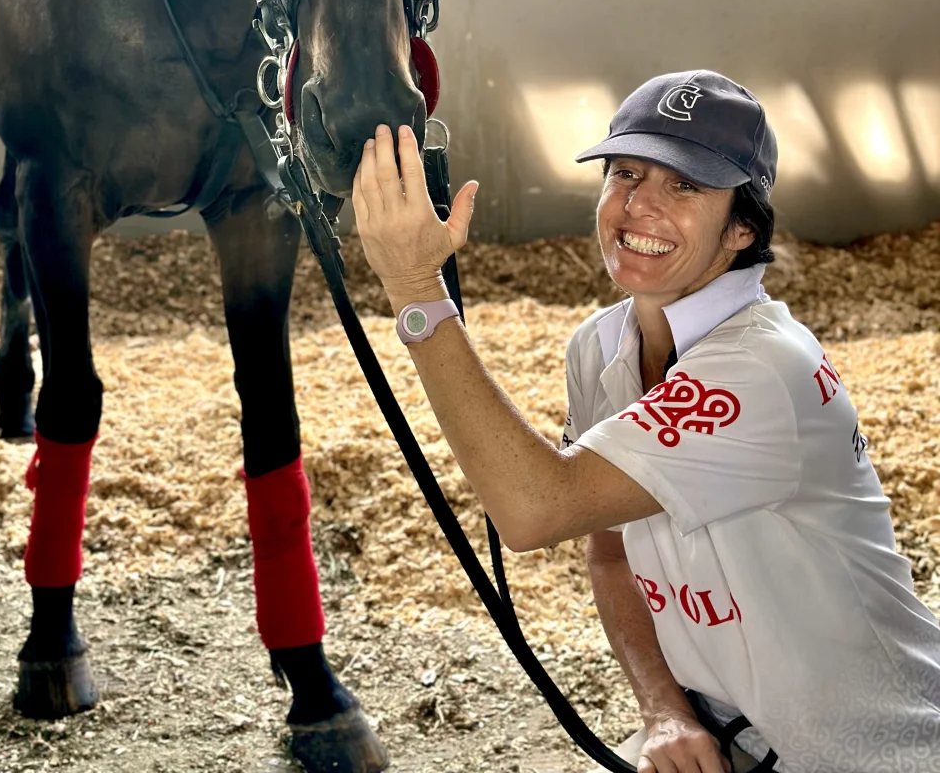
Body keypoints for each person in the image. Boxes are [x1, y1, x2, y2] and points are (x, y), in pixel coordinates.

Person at [352, 69, 940, 773]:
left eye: (684, 186)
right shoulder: (600, 345)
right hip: (716, 734)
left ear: (742, 228)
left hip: (879, 750)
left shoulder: (762, 367)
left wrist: (417, 290)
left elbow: (536, 510)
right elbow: (611, 552)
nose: (638, 206)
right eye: (625, 172)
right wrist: (662, 709)